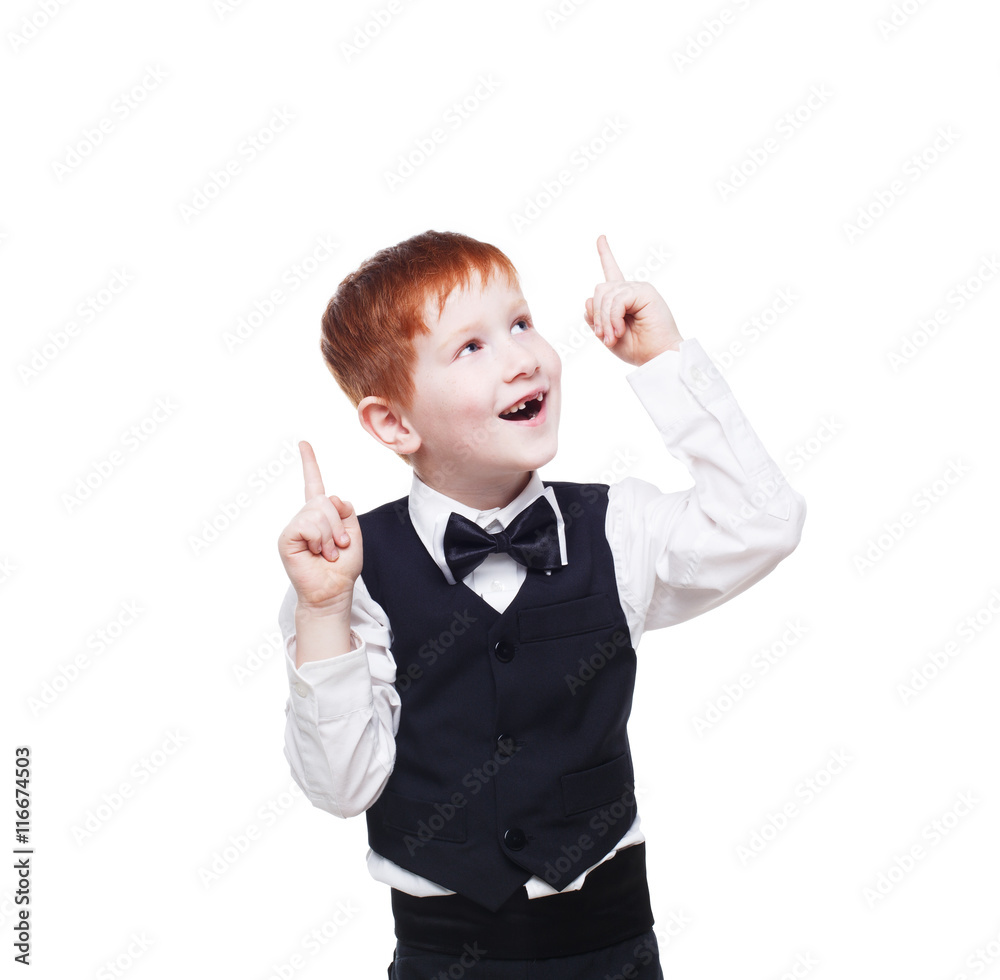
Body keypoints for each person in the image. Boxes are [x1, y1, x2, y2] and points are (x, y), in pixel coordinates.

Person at [277, 230, 806, 977]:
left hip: (612, 950)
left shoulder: (618, 528)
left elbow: (763, 524)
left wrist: (663, 361)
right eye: (471, 347)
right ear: (394, 422)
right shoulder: (348, 574)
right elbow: (340, 787)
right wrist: (323, 613)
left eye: (521, 323)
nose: (522, 357)